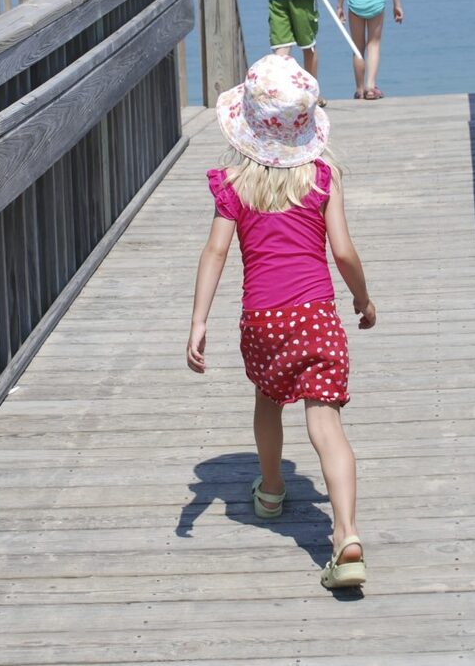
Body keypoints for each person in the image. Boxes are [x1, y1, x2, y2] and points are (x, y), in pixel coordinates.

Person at [187, 53, 377, 589]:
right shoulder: (321, 176)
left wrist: (199, 321)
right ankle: (346, 536)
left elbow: (216, 253)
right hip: (317, 315)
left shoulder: (234, 183)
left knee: (268, 400)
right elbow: (341, 251)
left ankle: (270, 490)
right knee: (326, 424)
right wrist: (363, 299)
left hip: (262, 321)